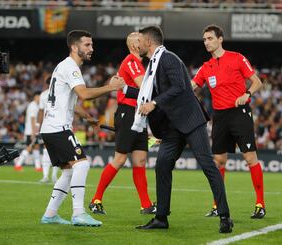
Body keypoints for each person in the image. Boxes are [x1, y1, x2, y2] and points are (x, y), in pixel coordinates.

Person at [122, 26, 233, 233]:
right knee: (162, 165)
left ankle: (225, 216)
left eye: (139, 40)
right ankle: (161, 218)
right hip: (172, 126)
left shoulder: (168, 58)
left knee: (207, 164)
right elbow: (149, 92)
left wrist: (154, 103)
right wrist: (124, 89)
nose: (137, 45)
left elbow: (180, 87)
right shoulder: (153, 65)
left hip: (190, 120)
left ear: (149, 42)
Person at [39, 30, 124, 226]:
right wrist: (112, 87)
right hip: (58, 127)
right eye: (87, 45)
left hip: (50, 128)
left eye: (91, 45)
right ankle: (78, 213)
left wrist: (88, 117)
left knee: (69, 171)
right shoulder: (71, 67)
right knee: (82, 164)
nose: (91, 49)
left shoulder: (63, 66)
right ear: (74, 47)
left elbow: (70, 101)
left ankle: (50, 215)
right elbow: (84, 95)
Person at [191, 25, 265, 219]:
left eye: (210, 38)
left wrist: (247, 94)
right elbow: (191, 86)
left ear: (220, 39)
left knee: (250, 159)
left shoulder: (237, 58)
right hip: (220, 116)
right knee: (219, 161)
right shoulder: (206, 67)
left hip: (239, 113)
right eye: (204, 39)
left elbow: (257, 82)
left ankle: (260, 204)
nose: (206, 42)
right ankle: (218, 205)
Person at [89, 32, 156, 215]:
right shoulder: (132, 62)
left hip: (138, 114)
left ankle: (146, 205)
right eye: (142, 41)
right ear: (135, 45)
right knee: (120, 159)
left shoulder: (137, 63)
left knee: (140, 160)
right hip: (128, 113)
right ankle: (96, 200)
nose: (145, 43)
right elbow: (144, 87)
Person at [14, 92, 42, 172]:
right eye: (39, 96)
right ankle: (18, 165)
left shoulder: (35, 105)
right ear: (36, 97)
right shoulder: (33, 106)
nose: (40, 98)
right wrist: (34, 132)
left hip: (32, 131)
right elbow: (33, 119)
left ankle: (38, 167)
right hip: (31, 131)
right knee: (29, 148)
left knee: (36, 148)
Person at [38, 77, 59, 183]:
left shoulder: (43, 94)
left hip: (47, 126)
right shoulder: (61, 92)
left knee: (47, 152)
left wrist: (39, 127)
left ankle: (46, 176)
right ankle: (53, 176)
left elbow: (41, 112)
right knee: (57, 152)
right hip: (59, 126)